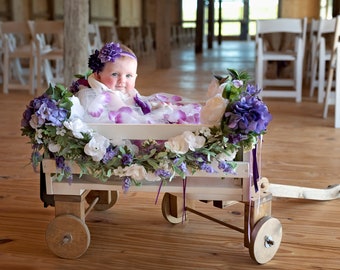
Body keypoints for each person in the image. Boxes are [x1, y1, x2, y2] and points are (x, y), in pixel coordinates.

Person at [72, 42, 201, 124]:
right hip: (117, 129)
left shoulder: (125, 91)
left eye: (129, 76)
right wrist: (158, 113)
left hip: (127, 119)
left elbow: (138, 103)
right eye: (115, 74)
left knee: (167, 107)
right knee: (165, 117)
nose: (122, 80)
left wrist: (154, 106)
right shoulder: (107, 95)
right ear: (97, 74)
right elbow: (131, 116)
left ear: (136, 77)